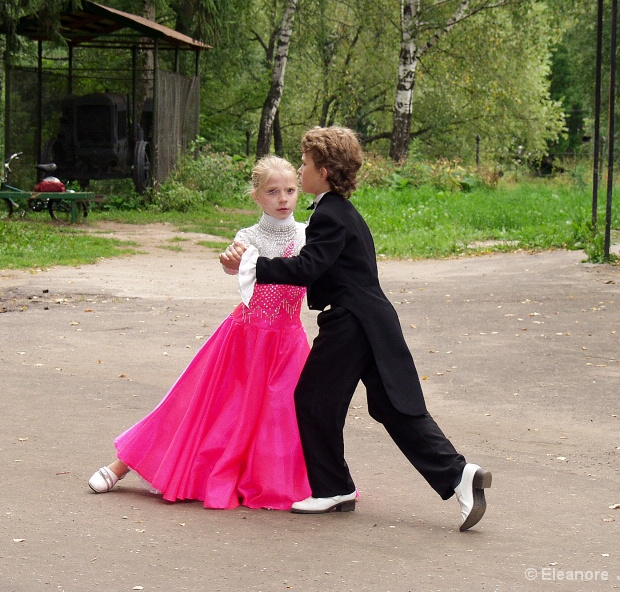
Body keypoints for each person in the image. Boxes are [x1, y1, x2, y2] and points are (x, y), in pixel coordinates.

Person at [220, 126, 491, 531]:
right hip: (371, 321)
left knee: (311, 400)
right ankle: (458, 475)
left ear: (323, 172)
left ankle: (332, 488)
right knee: (390, 406)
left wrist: (254, 265)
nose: (300, 169)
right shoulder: (341, 211)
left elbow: (308, 267)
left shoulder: (329, 215)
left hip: (351, 321)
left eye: (305, 164)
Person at [87, 156, 311, 510]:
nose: (283, 199)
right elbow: (235, 269)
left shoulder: (307, 234)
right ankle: (122, 465)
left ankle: (287, 481)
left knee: (285, 416)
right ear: (256, 196)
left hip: (287, 342)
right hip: (244, 339)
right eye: (272, 191)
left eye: (290, 190)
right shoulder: (248, 237)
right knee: (194, 405)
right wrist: (230, 262)